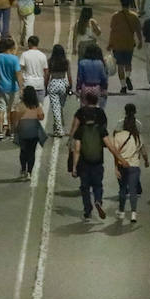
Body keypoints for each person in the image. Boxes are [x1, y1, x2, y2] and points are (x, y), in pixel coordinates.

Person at [67, 91, 112, 221]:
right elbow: (105, 127)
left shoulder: (80, 112)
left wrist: (71, 139)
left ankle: (87, 210)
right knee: (98, 184)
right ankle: (98, 200)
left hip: (83, 155)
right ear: (97, 100)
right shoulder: (101, 113)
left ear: (86, 100)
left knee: (84, 186)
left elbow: (75, 126)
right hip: (97, 153)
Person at [111, 103, 148, 224]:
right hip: (134, 165)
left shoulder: (118, 133)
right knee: (133, 190)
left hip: (123, 165)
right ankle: (133, 213)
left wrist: (116, 167)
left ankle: (121, 211)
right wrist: (146, 160)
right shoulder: (138, 134)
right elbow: (143, 149)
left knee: (122, 189)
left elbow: (115, 153)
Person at [108, 0, 140, 94]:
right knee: (128, 63)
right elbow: (138, 30)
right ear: (129, 4)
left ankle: (123, 86)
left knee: (120, 65)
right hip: (129, 43)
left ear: (121, 4)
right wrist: (141, 41)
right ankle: (127, 77)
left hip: (118, 43)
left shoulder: (115, 16)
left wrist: (110, 43)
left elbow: (113, 31)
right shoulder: (134, 16)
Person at [14, 87, 47, 179]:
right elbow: (41, 117)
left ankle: (23, 169)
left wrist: (15, 130)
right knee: (31, 152)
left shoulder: (20, 106)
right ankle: (29, 172)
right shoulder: (36, 106)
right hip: (33, 131)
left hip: (23, 129)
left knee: (23, 151)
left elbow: (16, 120)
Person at [0, 39, 20, 139]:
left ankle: (0, 131)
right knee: (12, 110)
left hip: (1, 87)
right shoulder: (14, 59)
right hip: (12, 87)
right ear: (11, 48)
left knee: (1, 110)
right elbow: (17, 74)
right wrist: (21, 86)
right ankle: (11, 131)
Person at [43, 44, 72, 137]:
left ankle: (59, 129)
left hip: (53, 83)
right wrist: (70, 87)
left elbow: (47, 75)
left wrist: (45, 86)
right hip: (63, 84)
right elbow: (69, 76)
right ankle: (57, 126)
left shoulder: (50, 61)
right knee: (60, 106)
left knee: (56, 108)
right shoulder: (66, 62)